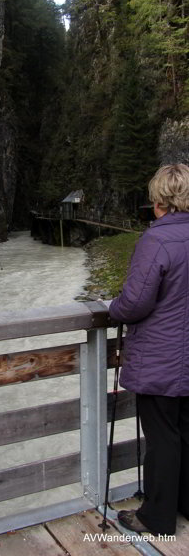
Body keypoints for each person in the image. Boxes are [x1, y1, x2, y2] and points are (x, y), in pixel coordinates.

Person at [109, 163, 189, 536]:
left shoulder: (156, 241)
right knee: (186, 432)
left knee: (162, 438)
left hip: (162, 357)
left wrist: (113, 307)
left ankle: (155, 517)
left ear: (159, 200)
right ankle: (184, 504)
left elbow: (135, 304)